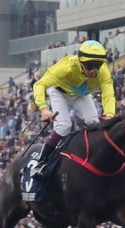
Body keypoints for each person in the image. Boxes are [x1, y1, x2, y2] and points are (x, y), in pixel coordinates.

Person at [30, 39, 117, 176]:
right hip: (59, 91)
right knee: (64, 126)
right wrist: (44, 109)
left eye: (97, 65)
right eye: (89, 65)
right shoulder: (66, 67)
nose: (93, 70)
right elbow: (39, 85)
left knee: (94, 124)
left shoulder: (103, 72)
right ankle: (41, 162)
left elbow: (108, 94)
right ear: (80, 61)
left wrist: (110, 114)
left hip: (80, 94)